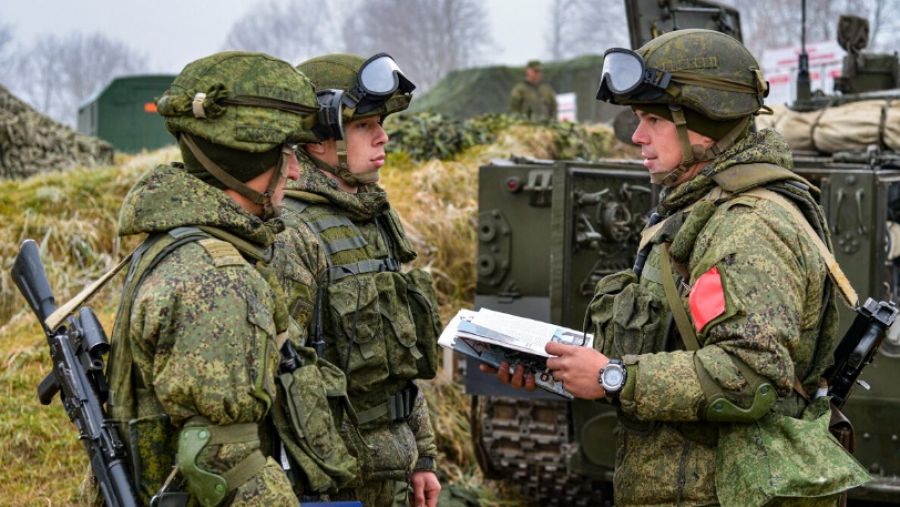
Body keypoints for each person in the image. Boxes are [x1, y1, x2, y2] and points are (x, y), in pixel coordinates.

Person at [487, 29, 869, 506]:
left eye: (652, 119)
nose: (636, 136)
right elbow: (674, 340)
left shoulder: (749, 227)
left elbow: (749, 375)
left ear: (704, 121)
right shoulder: (696, 210)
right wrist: (562, 365)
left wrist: (614, 378)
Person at [104, 51, 341, 506]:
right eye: (285, 155)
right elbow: (226, 463)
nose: (294, 171)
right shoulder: (218, 280)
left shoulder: (176, 243)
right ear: (244, 160)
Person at [269, 53, 442, 507]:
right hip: (337, 484)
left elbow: (400, 358)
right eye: (364, 124)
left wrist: (422, 457)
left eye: (380, 122)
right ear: (318, 135)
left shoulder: (378, 218)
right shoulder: (294, 233)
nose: (383, 135)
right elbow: (286, 377)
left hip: (395, 474)